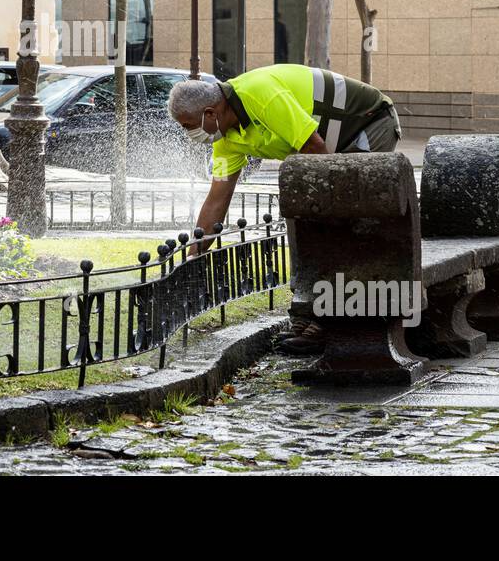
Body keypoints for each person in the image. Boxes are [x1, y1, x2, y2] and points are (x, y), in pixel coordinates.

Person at [167, 63, 402, 353]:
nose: (188, 134)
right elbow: (217, 199)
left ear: (211, 113)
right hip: (327, 146)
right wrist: (194, 258)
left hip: (367, 124)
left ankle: (332, 318)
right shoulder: (227, 139)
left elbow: (315, 151)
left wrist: (320, 215)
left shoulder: (261, 95)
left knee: (343, 221)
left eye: (188, 126)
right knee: (305, 220)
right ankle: (310, 314)